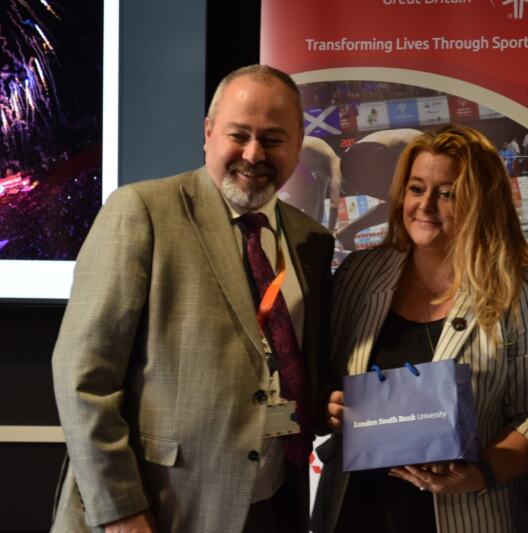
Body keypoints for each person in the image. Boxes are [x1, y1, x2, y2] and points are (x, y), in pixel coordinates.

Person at [50, 64, 334, 533]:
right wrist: (120, 510)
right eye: (238, 135)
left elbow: (295, 367)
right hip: (159, 507)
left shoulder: (311, 240)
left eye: (273, 139)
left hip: (270, 502)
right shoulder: (142, 210)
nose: (253, 153)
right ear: (208, 133)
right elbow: (82, 378)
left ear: (299, 143)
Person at [311, 124, 528, 533]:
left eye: (448, 193)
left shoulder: (518, 286)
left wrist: (480, 473)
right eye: (417, 188)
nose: (425, 206)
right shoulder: (359, 274)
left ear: (482, 201)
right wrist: (329, 406)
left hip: (472, 514)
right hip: (356, 511)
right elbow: (323, 381)